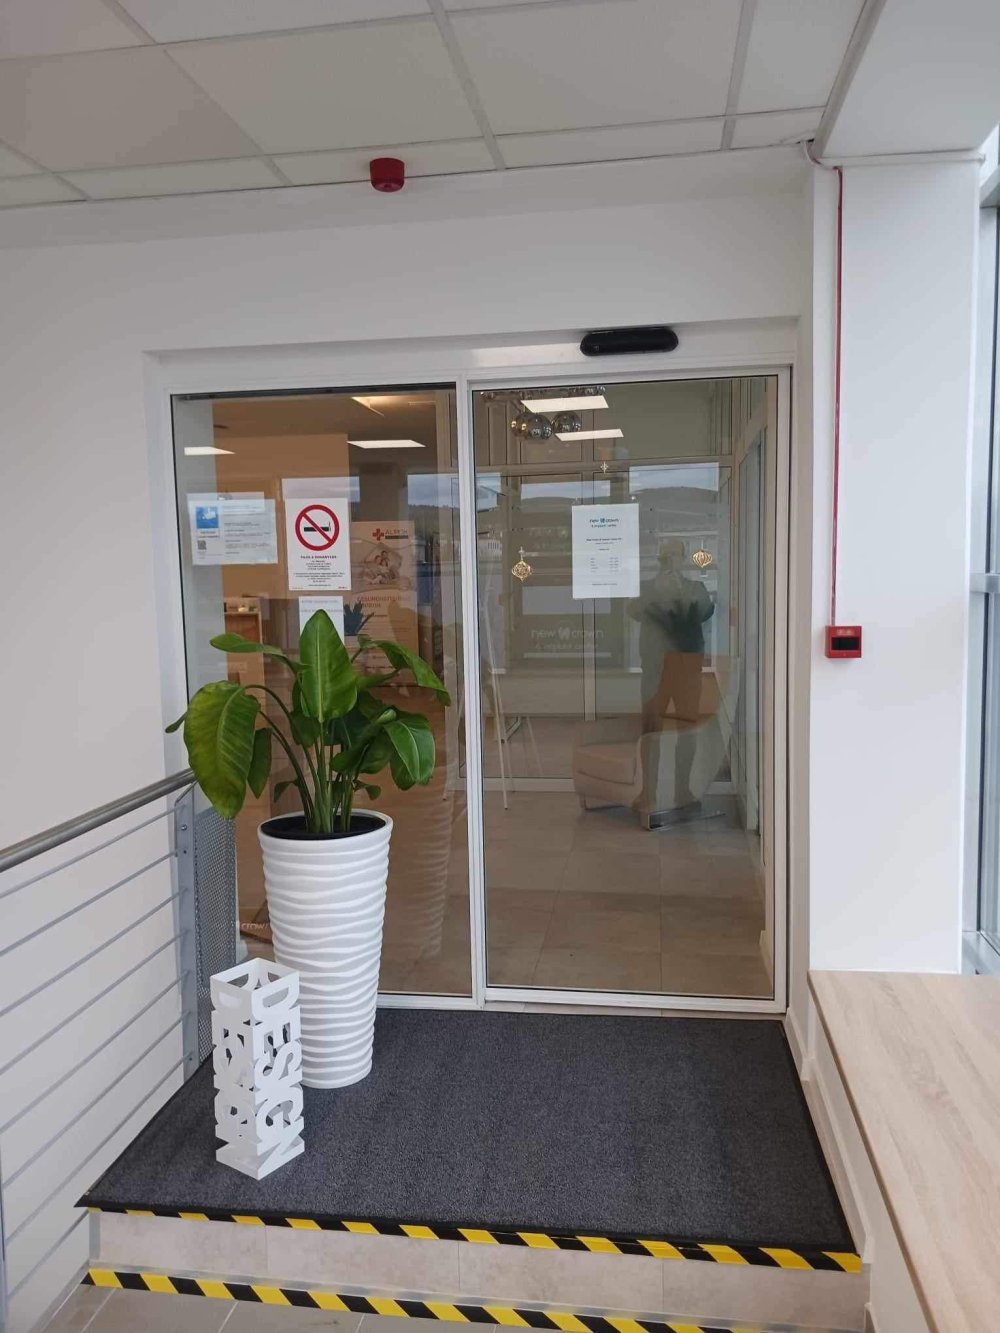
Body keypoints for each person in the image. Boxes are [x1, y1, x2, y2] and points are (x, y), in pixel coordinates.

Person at [628, 538, 715, 734]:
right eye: (666, 556)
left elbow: (705, 612)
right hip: (654, 668)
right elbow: (633, 611)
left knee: (687, 727)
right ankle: (650, 756)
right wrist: (657, 589)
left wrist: (680, 591)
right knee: (651, 727)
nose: (670, 560)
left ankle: (684, 756)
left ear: (683, 559)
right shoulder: (647, 588)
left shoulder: (695, 588)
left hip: (687, 669)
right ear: (660, 560)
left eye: (674, 555)